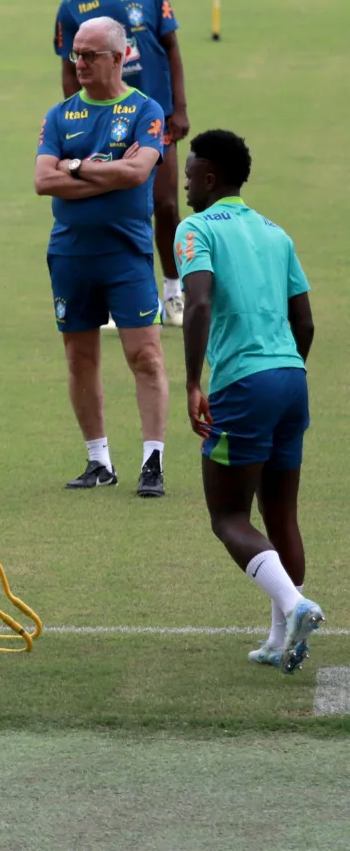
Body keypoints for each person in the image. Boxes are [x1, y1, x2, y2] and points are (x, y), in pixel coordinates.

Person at [175, 129, 324, 674]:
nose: (185, 184)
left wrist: (194, 381)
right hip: (291, 378)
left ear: (210, 177)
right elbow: (304, 320)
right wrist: (287, 365)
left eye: (190, 174)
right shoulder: (274, 232)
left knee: (230, 515)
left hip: (243, 385)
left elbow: (197, 303)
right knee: (281, 511)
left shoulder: (194, 229)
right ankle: (281, 638)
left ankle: (295, 605)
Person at [35, 16, 169, 497]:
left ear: (119, 58)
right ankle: (98, 461)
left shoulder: (145, 109)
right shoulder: (59, 115)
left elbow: (139, 174)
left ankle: (152, 461)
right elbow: (42, 181)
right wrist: (97, 167)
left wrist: (75, 168)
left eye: (90, 54)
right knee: (80, 358)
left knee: (146, 356)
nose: (80, 63)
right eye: (76, 54)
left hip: (126, 252)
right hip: (70, 254)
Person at [54, 0, 189, 327]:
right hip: (102, 122)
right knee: (115, 207)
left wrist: (178, 109)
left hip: (154, 115)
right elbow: (68, 67)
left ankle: (173, 290)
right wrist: (71, 120)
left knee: (165, 205)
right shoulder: (72, 6)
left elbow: (171, 48)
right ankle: (121, 295)